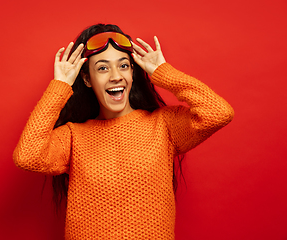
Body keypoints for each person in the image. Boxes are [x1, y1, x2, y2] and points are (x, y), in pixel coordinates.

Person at [13, 23, 234, 239]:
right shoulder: (73, 136)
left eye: (124, 65)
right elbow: (28, 156)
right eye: (102, 68)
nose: (116, 76)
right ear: (87, 79)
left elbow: (218, 112)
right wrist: (60, 85)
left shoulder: (163, 125)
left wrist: (162, 72)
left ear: (132, 73)